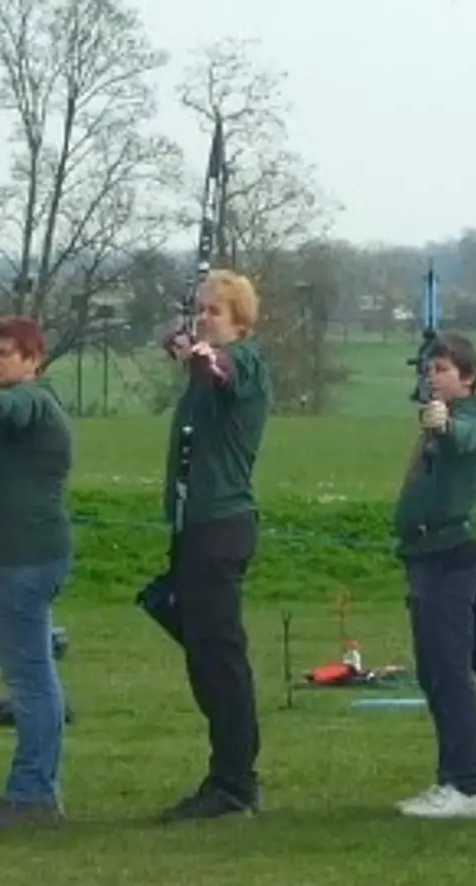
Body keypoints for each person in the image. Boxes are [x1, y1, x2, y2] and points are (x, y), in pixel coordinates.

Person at [157, 268, 271, 823]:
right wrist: (182, 341)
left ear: (240, 324)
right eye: (200, 309)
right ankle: (228, 773)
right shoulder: (203, 368)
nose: (205, 319)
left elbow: (221, 368)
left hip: (219, 527)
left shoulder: (242, 362)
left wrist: (200, 354)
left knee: (219, 658)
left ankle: (234, 782)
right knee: (204, 656)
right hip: (193, 528)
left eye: (215, 312)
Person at [0, 315, 76, 829]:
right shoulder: (21, 407)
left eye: (7, 353)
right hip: (21, 557)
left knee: (30, 680)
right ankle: (37, 788)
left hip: (30, 559)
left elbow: (14, 408)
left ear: (34, 361)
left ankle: (33, 793)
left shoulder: (35, 402)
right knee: (33, 675)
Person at [391, 332, 476, 820]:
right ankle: (449, 779)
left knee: (451, 675)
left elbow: (467, 436)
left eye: (442, 370)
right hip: (423, 555)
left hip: (450, 558)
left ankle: (465, 786)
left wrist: (444, 423)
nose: (431, 378)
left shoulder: (471, 416)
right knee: (433, 674)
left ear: (468, 377)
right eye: (428, 370)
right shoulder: (439, 420)